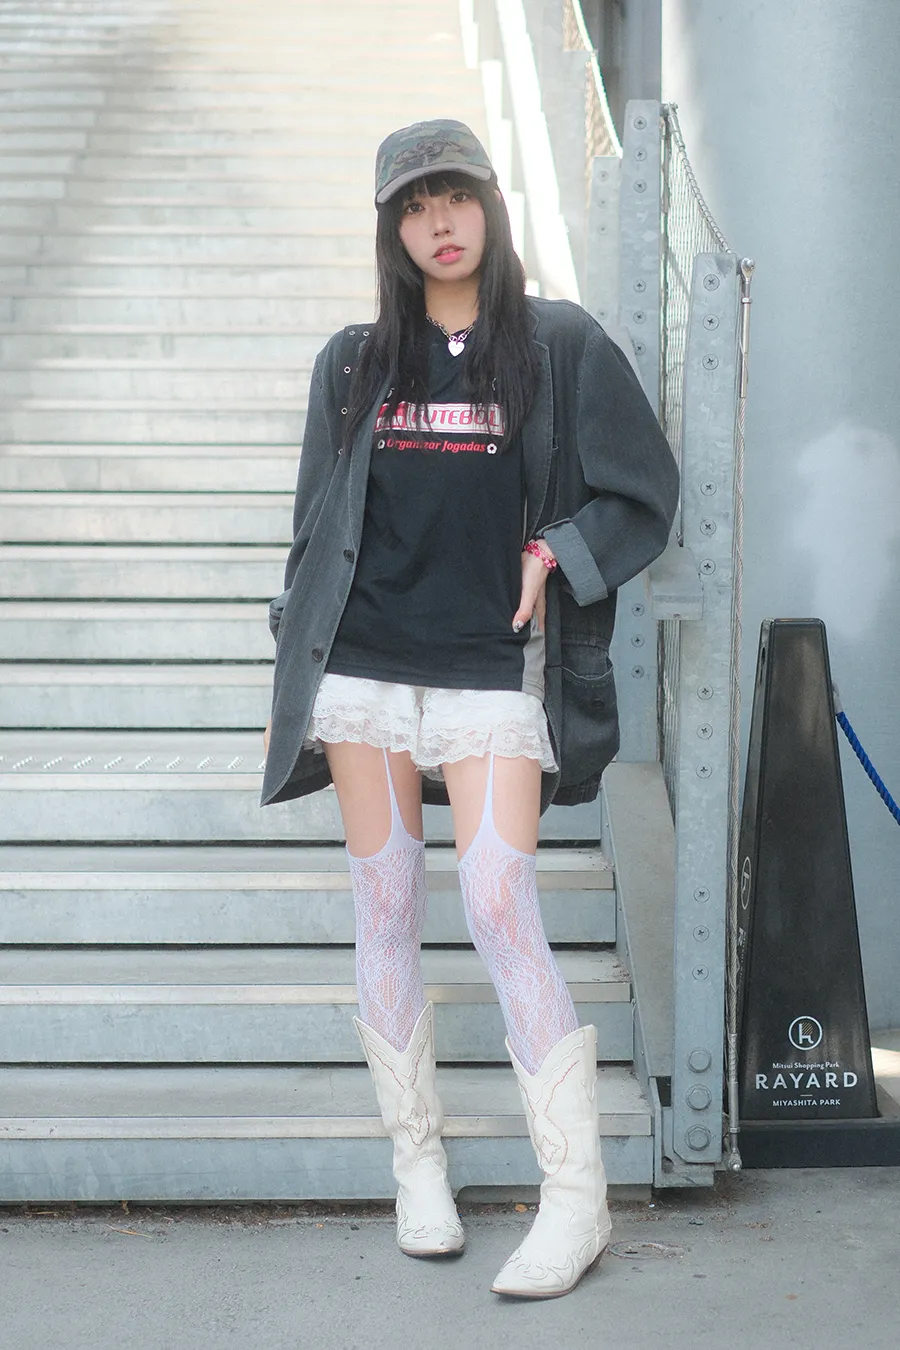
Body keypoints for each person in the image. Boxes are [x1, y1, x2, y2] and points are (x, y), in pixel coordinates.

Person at [262, 119, 678, 1299]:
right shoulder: (353, 364)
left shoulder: (560, 346)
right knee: (387, 902)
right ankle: (419, 1171)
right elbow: (314, 527)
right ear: (390, 231)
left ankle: (576, 1201)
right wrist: (293, 644)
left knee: (498, 902)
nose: (437, 222)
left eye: (454, 197)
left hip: (492, 671)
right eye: (412, 206)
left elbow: (646, 492)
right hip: (366, 669)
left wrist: (557, 550)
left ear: (491, 206)